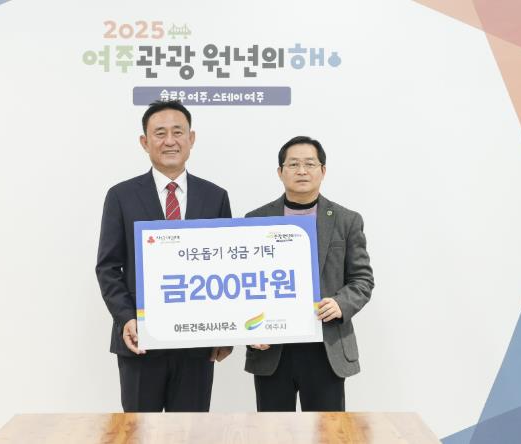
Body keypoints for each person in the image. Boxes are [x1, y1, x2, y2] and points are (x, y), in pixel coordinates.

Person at [95, 100, 232, 412]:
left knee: (191, 432)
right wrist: (127, 318)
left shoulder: (215, 197)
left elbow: (226, 269)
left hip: (197, 345)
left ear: (191, 139)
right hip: (140, 341)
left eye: (178, 132)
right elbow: (108, 267)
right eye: (160, 133)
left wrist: (226, 333)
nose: (170, 141)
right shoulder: (121, 196)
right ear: (145, 142)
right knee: (140, 431)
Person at [245, 135, 374, 411]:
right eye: (293, 164)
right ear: (280, 172)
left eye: (309, 164)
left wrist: (340, 303)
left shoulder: (347, 220)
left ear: (323, 170)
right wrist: (248, 330)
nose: (301, 171)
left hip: (325, 348)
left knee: (327, 430)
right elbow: (244, 284)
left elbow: (362, 280)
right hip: (272, 349)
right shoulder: (255, 220)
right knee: (273, 431)